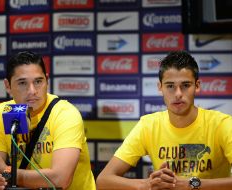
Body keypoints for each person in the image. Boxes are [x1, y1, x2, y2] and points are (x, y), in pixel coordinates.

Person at [96, 50, 232, 190]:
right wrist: (147, 184)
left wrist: (191, 184)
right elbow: (103, 181)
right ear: (160, 87)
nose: (178, 94)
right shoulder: (149, 125)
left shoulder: (221, 124)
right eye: (170, 86)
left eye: (185, 85)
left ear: (197, 86)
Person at [0, 51, 96, 189]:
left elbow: (60, 180)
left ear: (47, 80)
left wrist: (5, 171)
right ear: (8, 85)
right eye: (22, 83)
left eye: (38, 81)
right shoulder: (0, 114)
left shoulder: (65, 113)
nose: (32, 91)